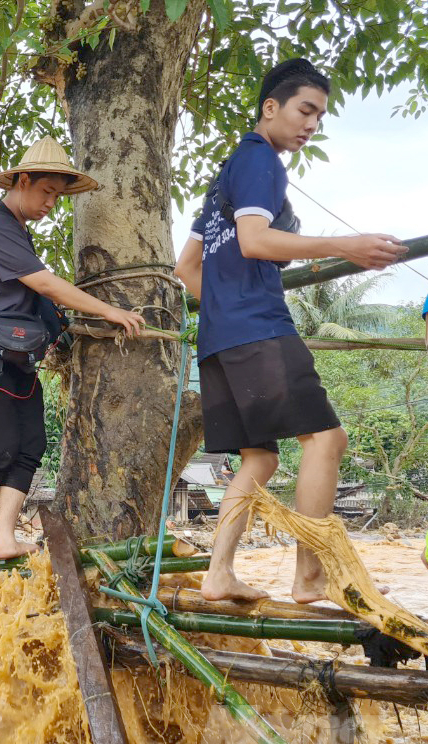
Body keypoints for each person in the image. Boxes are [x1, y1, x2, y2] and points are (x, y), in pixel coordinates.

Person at [174, 58, 406, 602]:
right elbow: (255, 241)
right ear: (270, 107)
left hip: (220, 337)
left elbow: (186, 269)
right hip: (258, 327)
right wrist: (345, 245)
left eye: (320, 117)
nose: (311, 124)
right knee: (326, 437)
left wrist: (226, 308)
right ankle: (309, 575)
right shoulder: (261, 162)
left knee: (261, 457)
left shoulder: (222, 179)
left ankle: (219, 572)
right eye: (305, 110)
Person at [0, 136, 144, 566]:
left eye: (57, 194)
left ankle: (2, 536)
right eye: (45, 191)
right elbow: (47, 285)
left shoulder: (18, 231)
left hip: (15, 352)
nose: (51, 201)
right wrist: (111, 311)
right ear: (22, 180)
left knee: (31, 444)